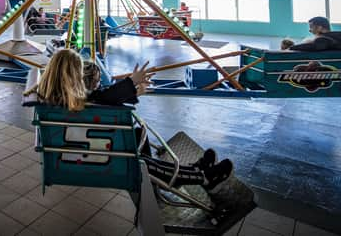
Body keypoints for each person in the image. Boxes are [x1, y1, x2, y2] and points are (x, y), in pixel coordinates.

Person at [27, 49, 233, 192]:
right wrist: (132, 84)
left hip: (81, 149)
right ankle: (203, 178)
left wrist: (132, 89)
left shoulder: (50, 97)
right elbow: (104, 98)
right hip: (95, 157)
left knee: (136, 135)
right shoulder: (77, 101)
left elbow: (102, 96)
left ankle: (190, 171)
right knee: (139, 163)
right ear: (72, 76)